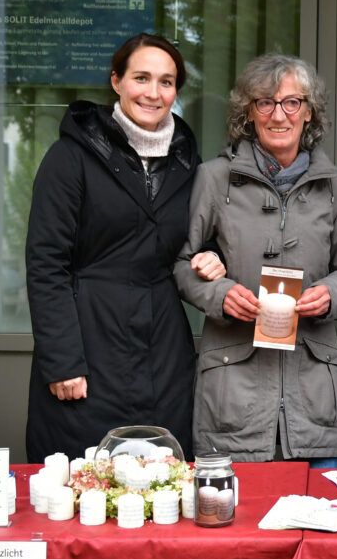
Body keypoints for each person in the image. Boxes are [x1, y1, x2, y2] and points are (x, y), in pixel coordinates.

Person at [25, 33, 224, 463]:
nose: (153, 92)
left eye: (166, 82)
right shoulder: (70, 158)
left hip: (163, 350)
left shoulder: (186, 163)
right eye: (141, 78)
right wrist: (62, 361)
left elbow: (198, 236)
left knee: (164, 477)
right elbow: (46, 264)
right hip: (88, 343)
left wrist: (211, 254)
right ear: (117, 81)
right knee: (85, 479)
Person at [174, 54, 337, 467]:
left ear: (309, 112)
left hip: (312, 395)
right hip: (233, 393)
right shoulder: (215, 179)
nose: (279, 115)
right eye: (265, 102)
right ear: (249, 112)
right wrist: (221, 295)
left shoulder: (335, 185)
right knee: (233, 509)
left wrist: (330, 294)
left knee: (314, 507)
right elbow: (182, 264)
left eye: (292, 102)